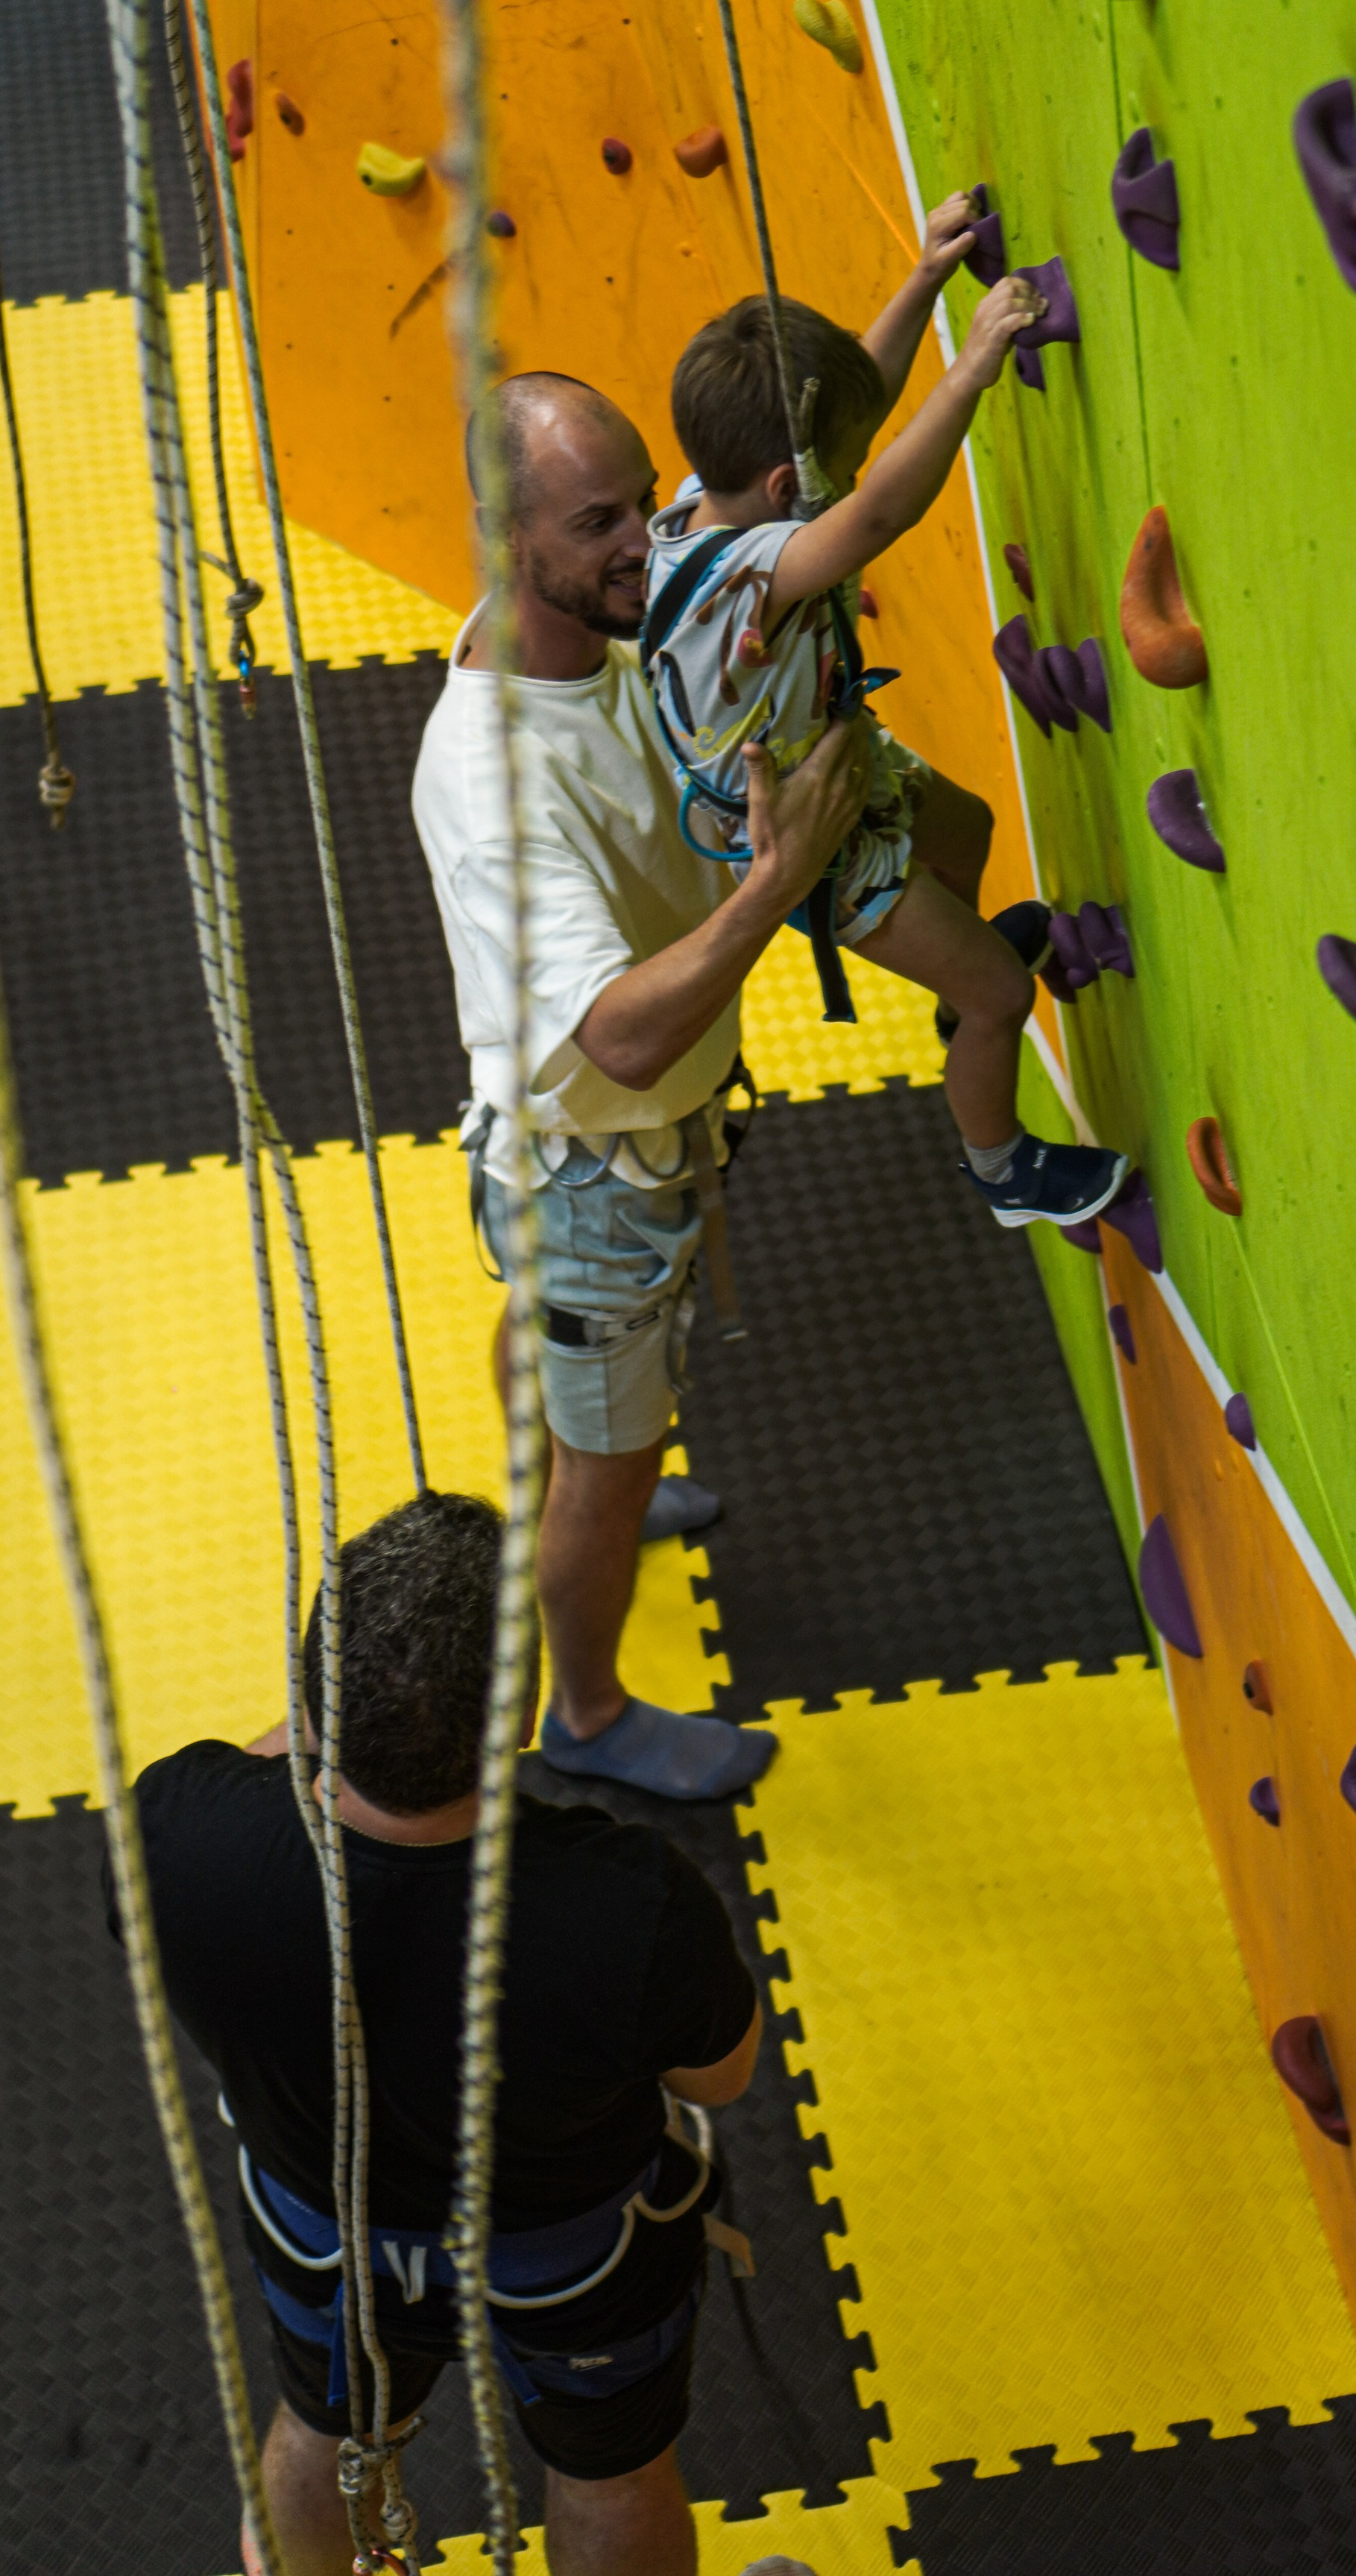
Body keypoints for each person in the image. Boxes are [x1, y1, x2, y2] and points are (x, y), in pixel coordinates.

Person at [108, 1491, 780, 2576]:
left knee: (323, 2436)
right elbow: (721, 2079)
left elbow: (265, 1765)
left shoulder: (180, 1830)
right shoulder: (626, 1904)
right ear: (517, 1721)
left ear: (313, 1700)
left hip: (322, 2228)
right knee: (609, 2473)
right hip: (572, 2252)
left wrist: (337, 1713)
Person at [412, 373, 871, 1801]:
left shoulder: (599, 618)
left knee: (551, 1344)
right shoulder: (492, 784)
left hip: (588, 1152)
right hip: (597, 1160)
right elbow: (613, 1035)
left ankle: (560, 1459)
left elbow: (761, 516)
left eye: (641, 498)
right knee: (611, 1462)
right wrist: (776, 883)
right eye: (600, 520)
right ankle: (592, 1713)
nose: (644, 541)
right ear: (506, 539)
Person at [645, 202, 1129, 1232]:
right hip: (816, 847)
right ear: (789, 489)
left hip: (835, 761)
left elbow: (838, 419)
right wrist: (972, 368)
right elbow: (876, 511)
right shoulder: (752, 576)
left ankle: (958, 980)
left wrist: (923, 281)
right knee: (1006, 997)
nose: (840, 471)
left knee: (971, 833)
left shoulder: (714, 496)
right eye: (821, 473)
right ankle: (1001, 1167)